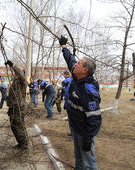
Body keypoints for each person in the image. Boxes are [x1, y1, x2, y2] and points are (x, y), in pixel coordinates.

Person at [59, 35, 102, 169]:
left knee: (88, 162)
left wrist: (88, 139)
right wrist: (64, 47)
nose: (74, 65)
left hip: (84, 132)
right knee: (79, 159)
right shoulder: (78, 77)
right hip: (76, 128)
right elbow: (70, 59)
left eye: (78, 64)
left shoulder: (88, 90)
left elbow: (95, 117)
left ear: (84, 70)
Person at [5, 60, 29, 149]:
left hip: (19, 107)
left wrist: (13, 65)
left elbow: (20, 73)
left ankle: (24, 144)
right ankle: (20, 143)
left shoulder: (23, 81)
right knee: (14, 126)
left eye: (19, 70)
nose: (16, 71)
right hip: (13, 107)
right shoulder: (15, 81)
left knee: (19, 126)